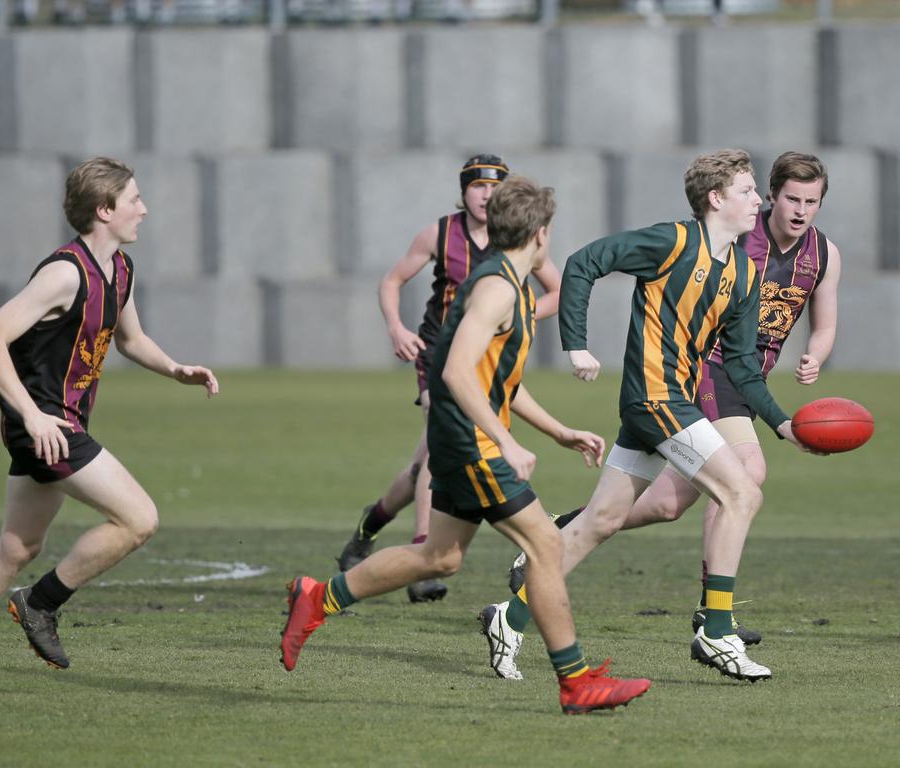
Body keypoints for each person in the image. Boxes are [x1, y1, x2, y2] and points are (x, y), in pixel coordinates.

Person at [280, 176, 651, 715]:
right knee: (546, 546)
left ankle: (318, 597)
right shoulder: (499, 287)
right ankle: (575, 682)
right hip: (470, 442)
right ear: (542, 233)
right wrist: (505, 441)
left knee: (440, 557)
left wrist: (557, 431)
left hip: (462, 438)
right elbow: (455, 370)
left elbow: (498, 379)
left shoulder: (512, 285)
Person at [481, 151, 841, 680]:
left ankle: (508, 618)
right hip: (655, 399)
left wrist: (783, 424)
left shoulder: (742, 272)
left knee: (599, 523)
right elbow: (583, 263)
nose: (758, 200)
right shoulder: (671, 241)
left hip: (672, 403)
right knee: (742, 491)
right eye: (747, 191)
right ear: (716, 199)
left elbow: (743, 369)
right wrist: (576, 345)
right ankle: (716, 631)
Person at [0, 157, 219, 691]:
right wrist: (31, 415)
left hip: (59, 425)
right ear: (104, 210)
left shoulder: (120, 269)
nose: (144, 210)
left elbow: (130, 340)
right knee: (139, 519)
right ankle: (39, 603)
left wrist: (175, 369)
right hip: (44, 427)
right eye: (133, 200)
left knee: (18, 547)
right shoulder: (64, 273)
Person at [334, 154, 562, 603]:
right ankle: (422, 553)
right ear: (464, 192)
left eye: (495, 185)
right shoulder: (441, 233)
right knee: (438, 461)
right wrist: (397, 328)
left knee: (424, 464)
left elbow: (558, 289)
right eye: (477, 186)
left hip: (484, 360)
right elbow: (391, 281)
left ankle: (372, 527)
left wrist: (518, 316)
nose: (486, 193)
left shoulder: (514, 241)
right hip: (439, 357)